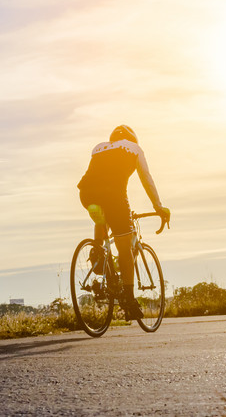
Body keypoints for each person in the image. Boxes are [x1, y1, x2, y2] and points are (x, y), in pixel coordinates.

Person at [77, 125, 171, 320]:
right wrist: (158, 206)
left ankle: (98, 254)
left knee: (104, 217)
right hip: (114, 196)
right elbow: (146, 178)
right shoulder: (134, 148)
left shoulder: (99, 148)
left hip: (86, 194)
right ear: (133, 139)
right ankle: (128, 300)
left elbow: (98, 178)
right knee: (125, 247)